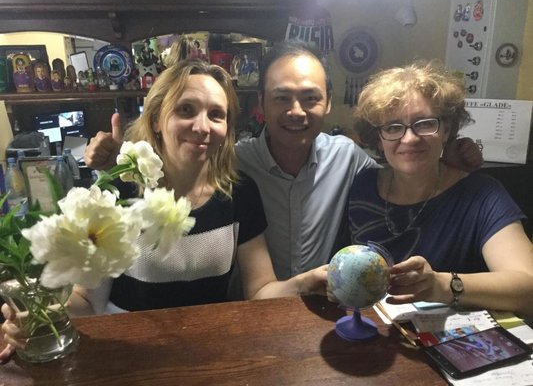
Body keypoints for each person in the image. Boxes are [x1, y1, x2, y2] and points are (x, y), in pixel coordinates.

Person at [1, 59, 327, 362]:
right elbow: (87, 301)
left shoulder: (240, 192)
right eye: (186, 109)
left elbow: (260, 291)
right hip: (128, 354)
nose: (202, 126)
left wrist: (305, 282)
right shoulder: (120, 191)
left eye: (217, 114)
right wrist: (37, 316)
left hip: (210, 352)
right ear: (157, 119)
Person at [83, 41, 481, 282]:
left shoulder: (348, 158)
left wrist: (447, 155)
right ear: (261, 104)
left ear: (327, 103)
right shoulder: (233, 163)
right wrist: (118, 162)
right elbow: (177, 162)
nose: (296, 111)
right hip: (247, 308)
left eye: (310, 98)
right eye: (282, 98)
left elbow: (402, 168)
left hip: (325, 306)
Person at [348, 60, 533, 316]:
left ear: (446, 129)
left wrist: (443, 285)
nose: (409, 138)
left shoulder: (482, 195)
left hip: (450, 336)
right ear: (379, 139)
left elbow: (528, 287)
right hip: (371, 331)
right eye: (393, 127)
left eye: (425, 123)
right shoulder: (362, 186)